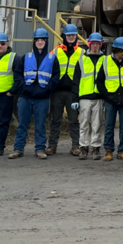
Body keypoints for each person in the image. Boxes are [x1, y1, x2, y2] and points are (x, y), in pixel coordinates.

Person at [9, 28, 59, 159]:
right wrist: (22, 87)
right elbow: (18, 74)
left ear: (46, 42)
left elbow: (55, 77)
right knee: (22, 125)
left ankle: (40, 149)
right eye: (38, 40)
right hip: (25, 96)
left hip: (42, 98)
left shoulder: (52, 58)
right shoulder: (26, 57)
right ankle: (18, 149)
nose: (40, 42)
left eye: (43, 40)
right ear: (34, 41)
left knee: (40, 125)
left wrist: (47, 89)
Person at [96, 36, 123, 161]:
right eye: (122, 51)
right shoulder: (105, 61)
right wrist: (106, 95)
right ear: (116, 50)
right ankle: (108, 151)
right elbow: (99, 81)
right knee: (109, 126)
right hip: (110, 99)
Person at [47, 24, 81, 156]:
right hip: (57, 91)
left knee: (73, 120)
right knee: (55, 119)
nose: (71, 37)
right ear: (64, 37)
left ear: (76, 36)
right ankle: (52, 145)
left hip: (73, 92)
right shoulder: (55, 52)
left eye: (73, 35)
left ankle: (75, 146)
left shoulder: (82, 53)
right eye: (68, 35)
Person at [72, 32, 106, 160]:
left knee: (97, 125)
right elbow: (75, 81)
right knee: (84, 124)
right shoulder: (81, 60)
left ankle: (96, 149)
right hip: (84, 97)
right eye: (93, 44)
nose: (95, 46)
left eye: (98, 44)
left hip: (98, 97)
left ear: (100, 45)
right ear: (89, 45)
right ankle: (83, 148)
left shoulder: (105, 60)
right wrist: (75, 99)